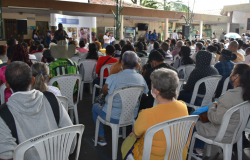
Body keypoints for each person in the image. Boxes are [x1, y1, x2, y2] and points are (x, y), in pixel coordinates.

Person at [0, 61, 75, 160]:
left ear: (7, 84)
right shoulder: (51, 99)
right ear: (32, 80)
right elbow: (71, 136)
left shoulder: (4, 115)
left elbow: (6, 156)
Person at [123, 68, 189, 160]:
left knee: (128, 142)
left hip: (152, 156)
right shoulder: (183, 106)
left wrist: (134, 130)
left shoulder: (146, 114)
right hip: (178, 155)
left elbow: (137, 134)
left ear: (156, 91)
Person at [194, 63, 250, 159]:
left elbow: (215, 119)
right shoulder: (246, 93)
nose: (230, 74)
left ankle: (196, 149)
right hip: (236, 132)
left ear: (236, 76)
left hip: (221, 133)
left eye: (232, 72)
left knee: (192, 122)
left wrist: (212, 106)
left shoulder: (230, 95)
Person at [92, 51, 148, 146]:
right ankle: (121, 130)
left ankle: (101, 138)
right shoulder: (141, 78)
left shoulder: (113, 78)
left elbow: (104, 92)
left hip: (113, 116)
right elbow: (144, 93)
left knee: (95, 107)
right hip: (132, 115)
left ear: (122, 62)